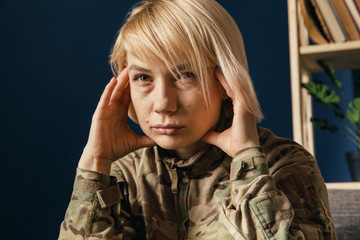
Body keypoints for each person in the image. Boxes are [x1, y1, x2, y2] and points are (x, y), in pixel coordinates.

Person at [59, 0, 336, 239]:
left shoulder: (285, 165)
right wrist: (94, 164)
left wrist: (249, 166)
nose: (163, 104)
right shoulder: (122, 175)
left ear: (227, 80)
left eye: (185, 75)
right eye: (143, 77)